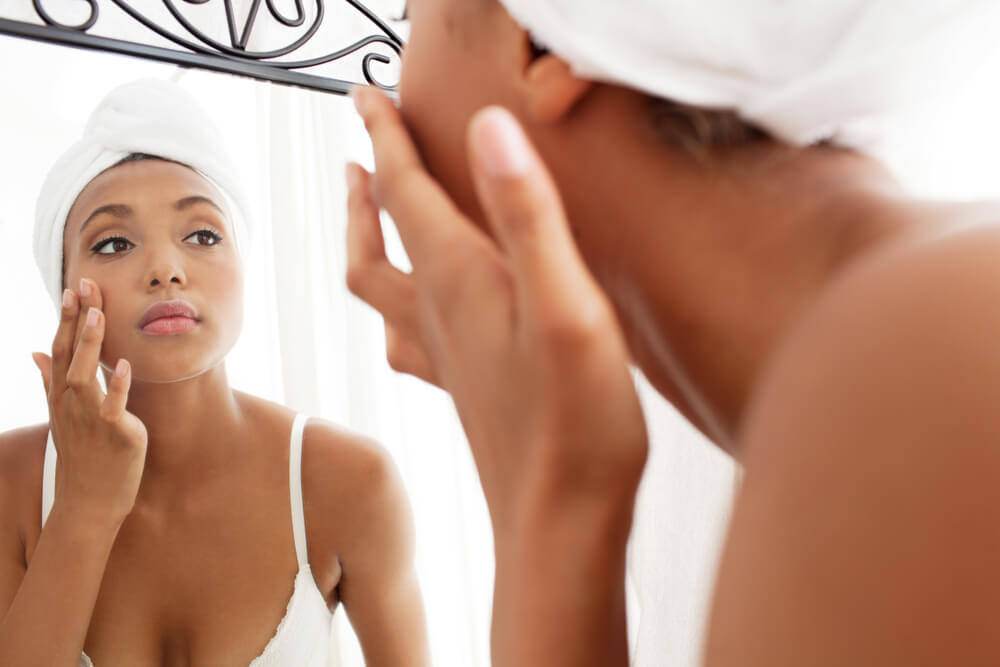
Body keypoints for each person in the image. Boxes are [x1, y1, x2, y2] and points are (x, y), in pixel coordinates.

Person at [344, 1, 1000, 665]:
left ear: (541, 49)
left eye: (408, 13)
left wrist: (547, 520)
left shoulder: (907, 360)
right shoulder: (891, 344)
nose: (393, 85)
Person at [0, 79, 429, 667]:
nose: (166, 269)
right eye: (114, 243)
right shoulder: (12, 484)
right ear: (65, 290)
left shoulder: (349, 482)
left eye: (202, 234)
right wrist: (85, 508)